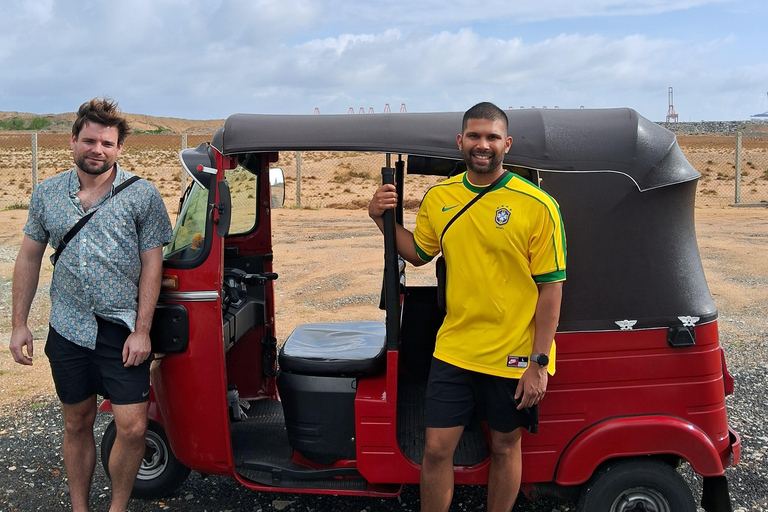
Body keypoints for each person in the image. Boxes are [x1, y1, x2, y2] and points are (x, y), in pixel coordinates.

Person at [368, 102, 566, 512]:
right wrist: (380, 219)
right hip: (455, 347)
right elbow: (419, 254)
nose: (483, 145)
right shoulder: (440, 198)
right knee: (437, 449)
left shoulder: (537, 205)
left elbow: (551, 289)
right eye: (474, 136)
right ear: (461, 142)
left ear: (506, 144)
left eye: (492, 137)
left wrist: (538, 363)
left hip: (512, 353)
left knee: (506, 446)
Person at [9, 98, 172, 512]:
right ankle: (79, 507)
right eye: (89, 140)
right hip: (68, 329)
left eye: (107, 143)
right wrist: (19, 324)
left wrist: (142, 330)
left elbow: (153, 265)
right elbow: (28, 257)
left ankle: (117, 507)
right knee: (76, 422)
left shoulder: (143, 196)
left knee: (133, 429)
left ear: (119, 149)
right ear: (73, 141)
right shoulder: (47, 194)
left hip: (121, 331)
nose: (96, 149)